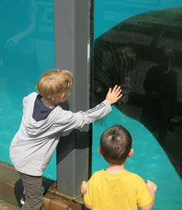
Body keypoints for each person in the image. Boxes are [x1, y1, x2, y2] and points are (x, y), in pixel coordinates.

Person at [10, 69, 123, 210]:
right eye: (68, 91)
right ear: (63, 96)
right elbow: (84, 117)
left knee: (32, 188)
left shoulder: (31, 98)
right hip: (30, 166)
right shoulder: (59, 117)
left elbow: (25, 104)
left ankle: (30, 193)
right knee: (34, 203)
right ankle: (29, 200)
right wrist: (107, 102)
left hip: (17, 151)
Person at [81, 124, 157, 210]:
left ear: (100, 151)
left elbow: (89, 205)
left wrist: (84, 192)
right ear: (130, 153)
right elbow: (146, 208)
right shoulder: (136, 181)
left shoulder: (96, 178)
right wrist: (151, 190)